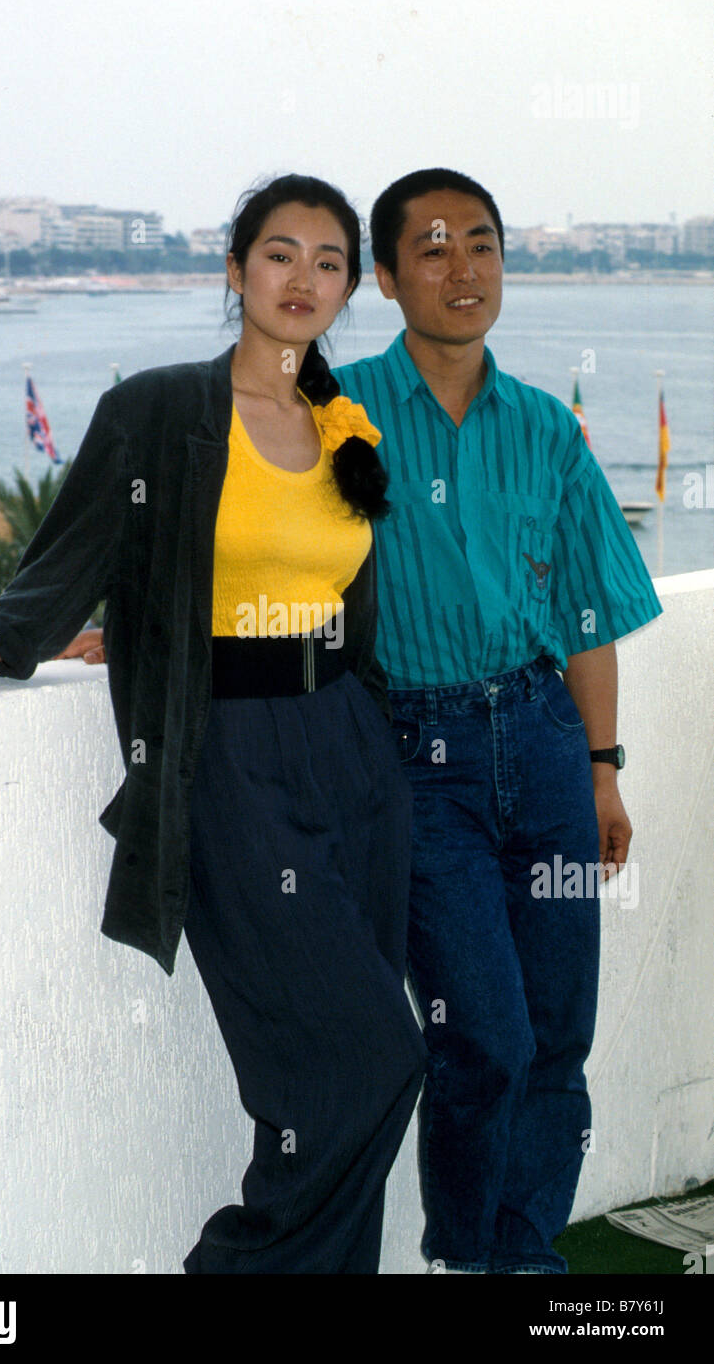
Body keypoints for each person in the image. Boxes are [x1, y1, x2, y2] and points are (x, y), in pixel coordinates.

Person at [0, 174, 426, 1275]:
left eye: (328, 261)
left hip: (352, 748)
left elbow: (338, 597)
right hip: (229, 754)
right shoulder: (162, 409)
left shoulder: (343, 420)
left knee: (323, 1079)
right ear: (234, 269)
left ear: (351, 284)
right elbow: (70, 549)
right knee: (369, 1059)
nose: (303, 277)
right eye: (279, 253)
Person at [329, 168, 663, 1275]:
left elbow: (586, 614)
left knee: (560, 1033)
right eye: (431, 247)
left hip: (547, 742)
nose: (462, 268)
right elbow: (263, 558)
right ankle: (464, 1258)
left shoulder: (547, 432)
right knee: (483, 1032)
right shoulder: (343, 417)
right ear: (384, 276)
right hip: (418, 759)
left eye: (481, 243)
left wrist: (604, 766)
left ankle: (528, 1260)